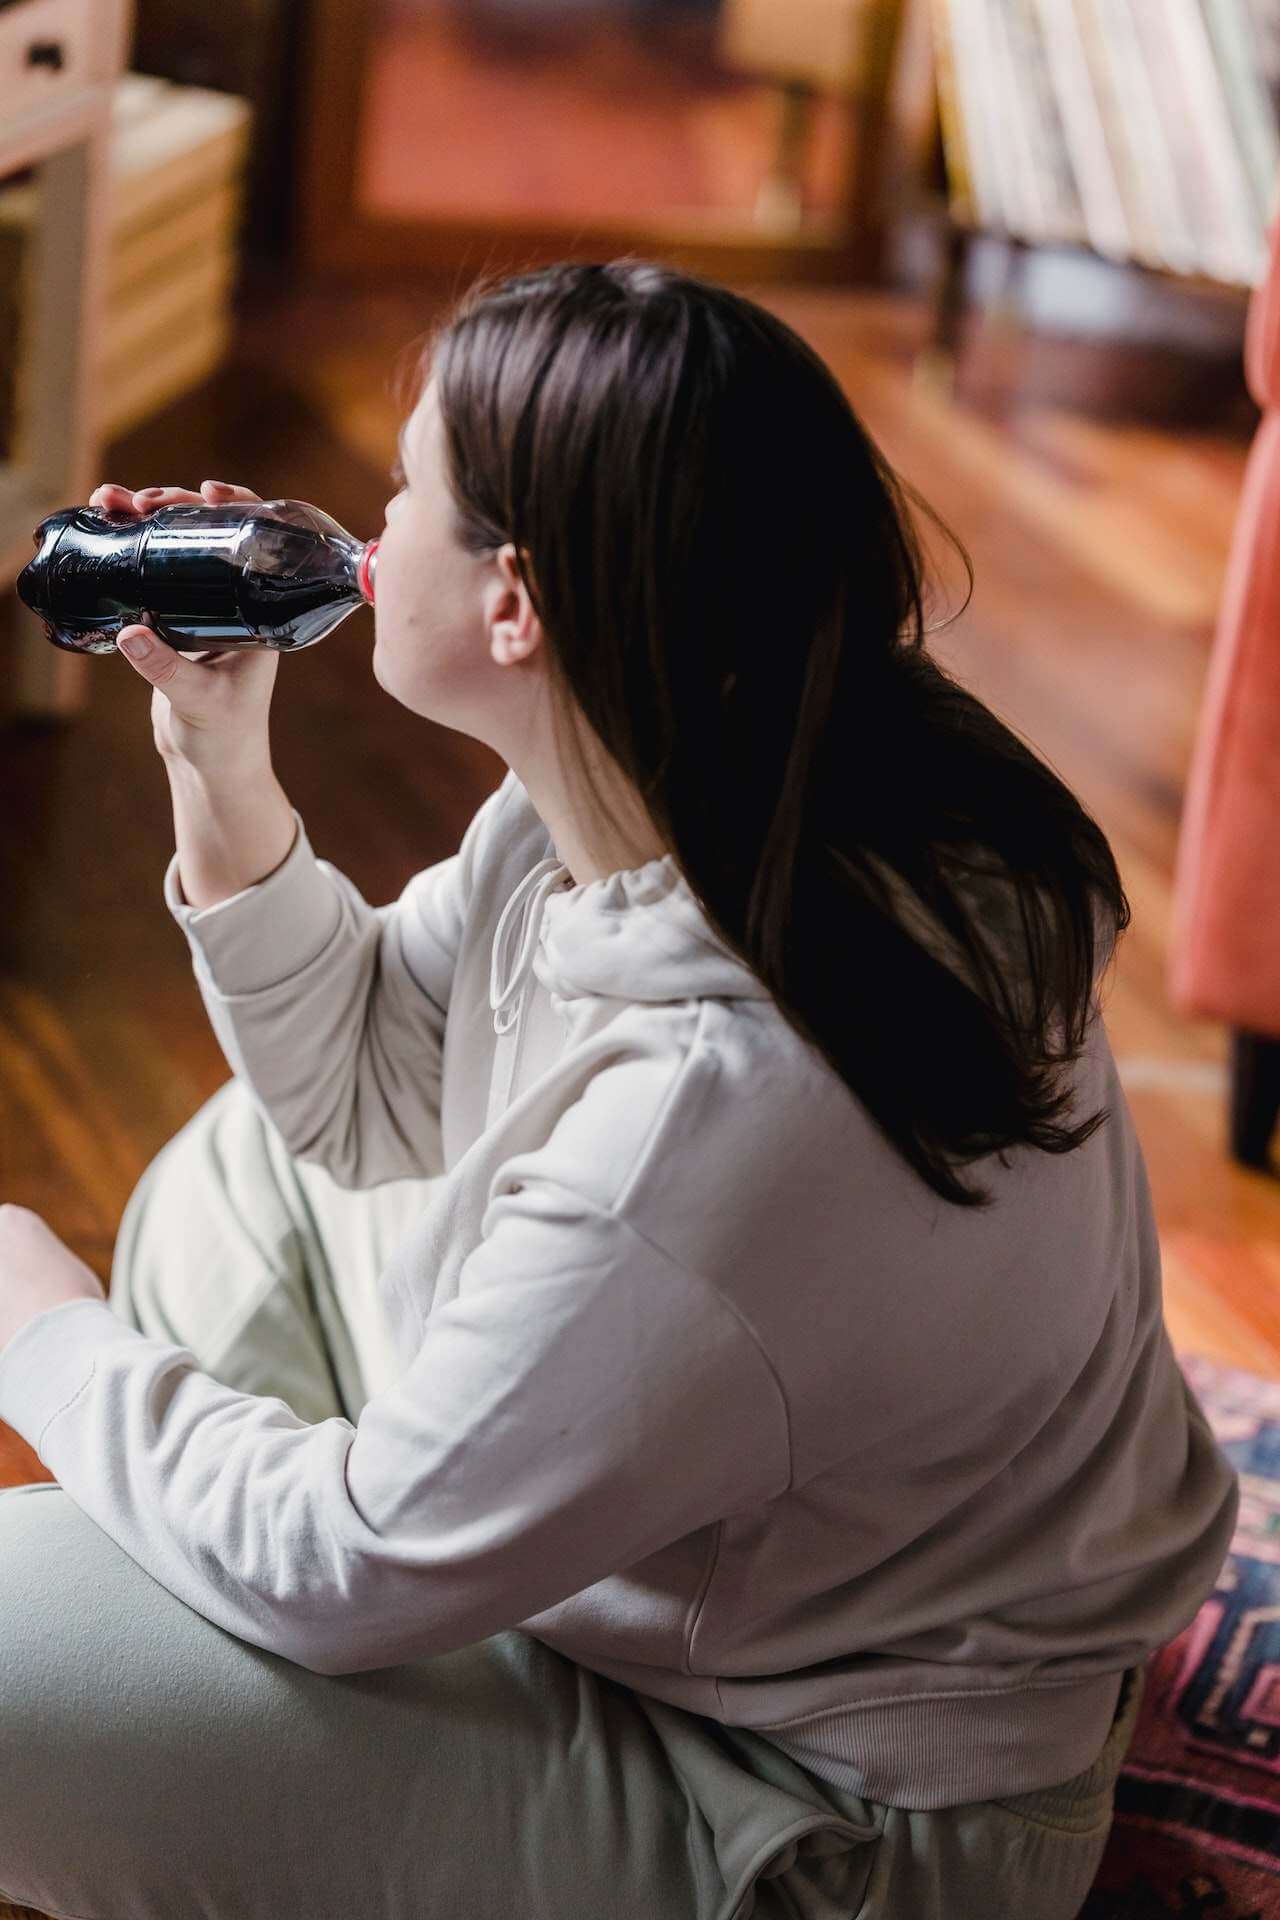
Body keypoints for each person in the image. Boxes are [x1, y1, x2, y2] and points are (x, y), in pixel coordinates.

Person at [0, 259, 1238, 1920]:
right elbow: (366, 1088)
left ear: (515, 604)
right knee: (237, 1183)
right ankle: (397, 1610)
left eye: (404, 489)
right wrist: (217, 749)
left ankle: (365, 1658)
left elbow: (341, 1558)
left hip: (839, 1817)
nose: (360, 523)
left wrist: (41, 1337)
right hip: (747, 1585)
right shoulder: (719, 768)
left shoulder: (728, 1114)